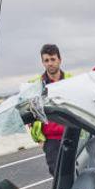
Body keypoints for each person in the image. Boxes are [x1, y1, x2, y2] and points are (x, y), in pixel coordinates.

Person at [28, 44, 72, 176]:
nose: (50, 63)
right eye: (46, 60)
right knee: (58, 176)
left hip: (72, 135)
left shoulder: (71, 80)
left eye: (53, 59)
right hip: (51, 140)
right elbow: (30, 114)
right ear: (42, 62)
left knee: (77, 171)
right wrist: (39, 139)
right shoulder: (36, 85)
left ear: (59, 60)